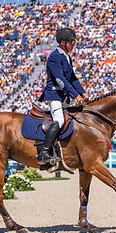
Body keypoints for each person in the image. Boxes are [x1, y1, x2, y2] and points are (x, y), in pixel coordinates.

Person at [37, 27, 89, 165]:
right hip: (54, 95)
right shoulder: (55, 56)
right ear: (63, 42)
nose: (74, 45)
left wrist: (82, 92)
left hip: (63, 96)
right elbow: (60, 80)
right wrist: (75, 95)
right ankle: (44, 153)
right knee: (59, 120)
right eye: (72, 42)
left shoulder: (66, 57)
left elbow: (73, 78)